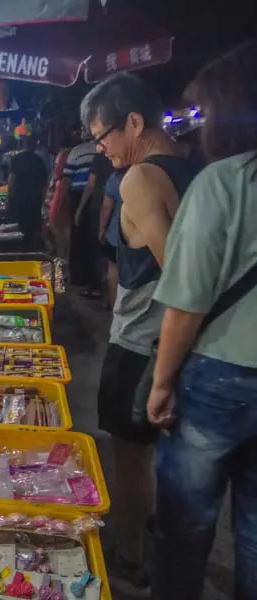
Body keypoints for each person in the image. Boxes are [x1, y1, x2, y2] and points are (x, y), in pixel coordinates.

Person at [80, 72, 205, 597]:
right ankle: (164, 541)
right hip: (198, 348)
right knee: (179, 459)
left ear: (134, 122)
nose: (102, 149)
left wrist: (162, 368)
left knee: (131, 456)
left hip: (144, 343)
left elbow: (179, 274)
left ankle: (130, 554)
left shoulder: (139, 178)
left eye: (103, 136)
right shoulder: (205, 169)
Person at [146, 41, 257, 600]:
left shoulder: (224, 181)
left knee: (187, 524)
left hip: (219, 375)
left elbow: (187, 300)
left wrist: (163, 383)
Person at [74, 152, 114, 298]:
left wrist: (80, 208)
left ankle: (96, 287)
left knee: (96, 248)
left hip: (98, 207)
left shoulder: (100, 158)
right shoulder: (125, 158)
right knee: (111, 252)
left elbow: (90, 184)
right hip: (118, 209)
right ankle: (109, 291)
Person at [60, 136, 97, 284]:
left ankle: (78, 278)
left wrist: (63, 201)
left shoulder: (76, 151)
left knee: (78, 238)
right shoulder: (100, 149)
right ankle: (94, 279)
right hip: (100, 196)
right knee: (94, 238)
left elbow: (66, 179)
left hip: (78, 195)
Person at [8, 137, 49, 251]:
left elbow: (11, 180)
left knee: (17, 231)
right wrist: (43, 198)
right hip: (35, 201)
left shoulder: (17, 159)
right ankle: (31, 252)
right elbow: (46, 181)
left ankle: (19, 254)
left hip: (19, 200)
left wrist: (9, 198)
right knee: (32, 231)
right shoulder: (38, 160)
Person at [98, 169, 124, 307]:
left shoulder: (116, 177)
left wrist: (101, 229)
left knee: (113, 270)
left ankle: (115, 306)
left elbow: (107, 207)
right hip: (140, 238)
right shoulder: (150, 173)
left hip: (115, 234)